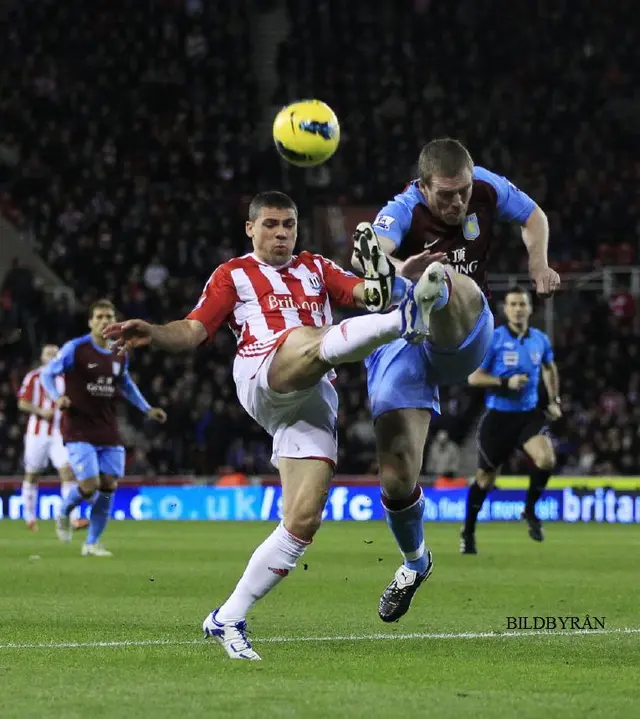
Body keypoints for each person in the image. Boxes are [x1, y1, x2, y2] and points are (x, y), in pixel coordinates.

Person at [104, 190, 442, 661]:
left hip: (314, 396)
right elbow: (193, 329)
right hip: (265, 372)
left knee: (302, 520)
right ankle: (404, 322)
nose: (281, 233)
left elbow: (365, 293)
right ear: (251, 229)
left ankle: (228, 617)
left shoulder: (318, 267)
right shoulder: (233, 275)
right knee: (306, 339)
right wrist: (155, 333)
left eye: (288, 225)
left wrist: (390, 278)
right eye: (270, 224)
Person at [352, 138, 560, 622]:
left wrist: (537, 263)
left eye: (462, 192)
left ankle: (430, 292)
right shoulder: (401, 207)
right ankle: (414, 562)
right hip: (404, 341)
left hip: (467, 329)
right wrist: (391, 268)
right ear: (422, 187)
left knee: (447, 278)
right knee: (397, 476)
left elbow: (534, 217)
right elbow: (376, 247)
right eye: (445, 195)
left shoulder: (487, 187)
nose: (457, 202)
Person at [40, 299, 167, 556]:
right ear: (90, 322)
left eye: (109, 316)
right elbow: (46, 374)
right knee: (89, 485)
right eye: (99, 317)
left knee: (108, 485)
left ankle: (92, 543)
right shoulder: (75, 349)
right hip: (78, 427)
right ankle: (64, 512)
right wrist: (57, 398)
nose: (104, 321)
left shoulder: (120, 352)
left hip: (108, 428)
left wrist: (146, 408)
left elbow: (127, 385)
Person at [463, 286, 561, 553]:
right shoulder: (493, 339)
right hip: (498, 419)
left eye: (522, 304)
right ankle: (468, 532)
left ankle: (529, 510)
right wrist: (506, 381)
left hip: (527, 416)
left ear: (529, 308)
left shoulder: (539, 340)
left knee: (546, 458)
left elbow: (550, 367)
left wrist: (553, 400)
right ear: (505, 310)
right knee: (485, 480)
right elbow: (474, 377)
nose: (518, 309)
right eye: (513, 304)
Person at [17, 344, 88, 532]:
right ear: (41, 357)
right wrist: (40, 411)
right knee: (32, 474)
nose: (51, 356)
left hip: (60, 434)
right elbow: (22, 402)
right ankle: (30, 518)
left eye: (55, 353)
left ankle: (73, 518)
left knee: (68, 472)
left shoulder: (67, 379)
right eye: (48, 353)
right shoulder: (33, 376)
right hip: (36, 434)